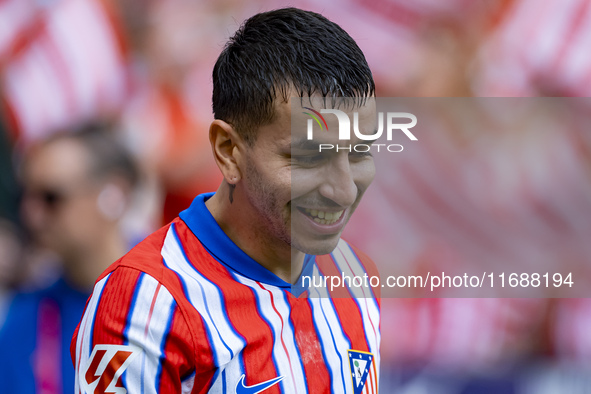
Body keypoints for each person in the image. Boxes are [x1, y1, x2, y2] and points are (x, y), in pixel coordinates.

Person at [72, 8, 380, 393]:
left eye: (359, 153)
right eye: (309, 156)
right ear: (228, 150)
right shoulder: (144, 304)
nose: (345, 189)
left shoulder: (353, 275)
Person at [0, 124, 139, 393]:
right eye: (25, 197)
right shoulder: (25, 317)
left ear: (113, 194)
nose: (32, 215)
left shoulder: (175, 292)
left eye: (51, 198)